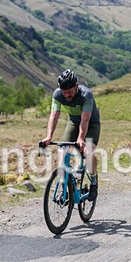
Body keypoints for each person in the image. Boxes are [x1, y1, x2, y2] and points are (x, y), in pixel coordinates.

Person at [40, 69, 101, 201]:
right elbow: (54, 116)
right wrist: (49, 136)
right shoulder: (57, 95)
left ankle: (94, 182)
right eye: (64, 92)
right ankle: (64, 187)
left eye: (70, 92)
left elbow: (85, 120)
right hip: (74, 122)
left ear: (76, 87)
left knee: (88, 151)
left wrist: (80, 138)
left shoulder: (86, 95)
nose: (67, 95)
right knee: (63, 150)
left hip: (91, 124)